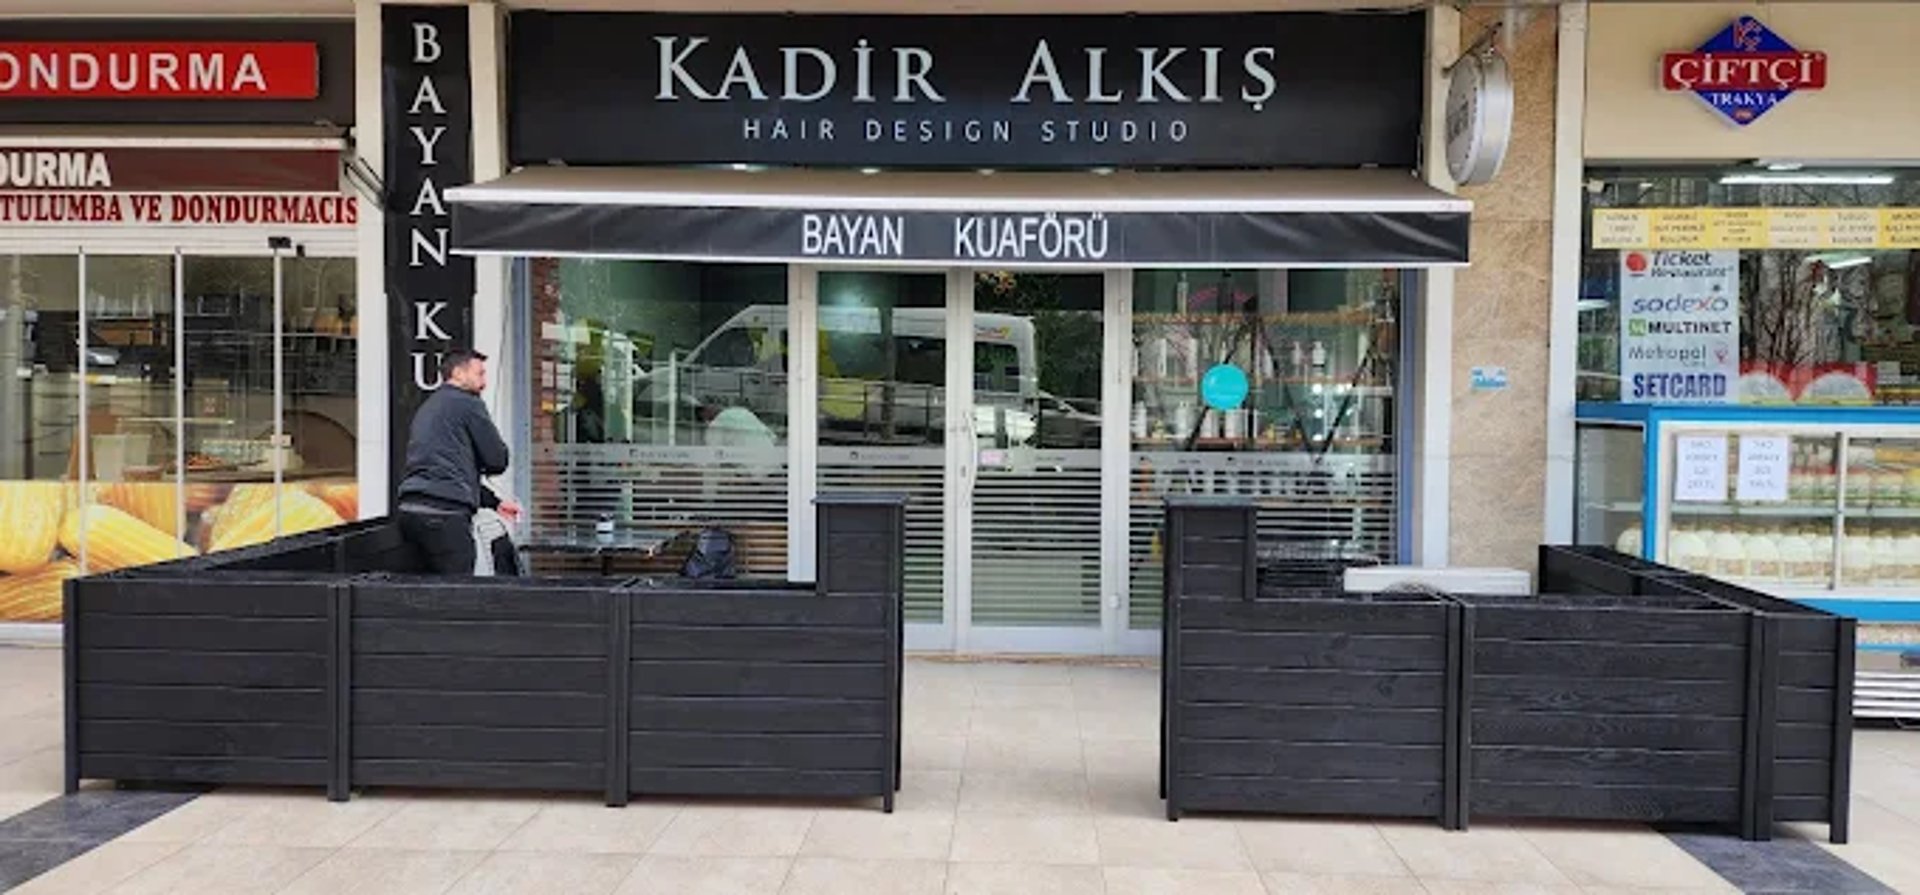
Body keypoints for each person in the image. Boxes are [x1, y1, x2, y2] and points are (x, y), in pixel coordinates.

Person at [396, 349, 522, 574]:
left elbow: (444, 470)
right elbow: (497, 460)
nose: (484, 383)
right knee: (456, 593)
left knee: (421, 592)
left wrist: (494, 502)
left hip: (409, 513)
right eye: (480, 374)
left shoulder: (428, 407)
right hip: (446, 516)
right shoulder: (468, 403)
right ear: (458, 373)